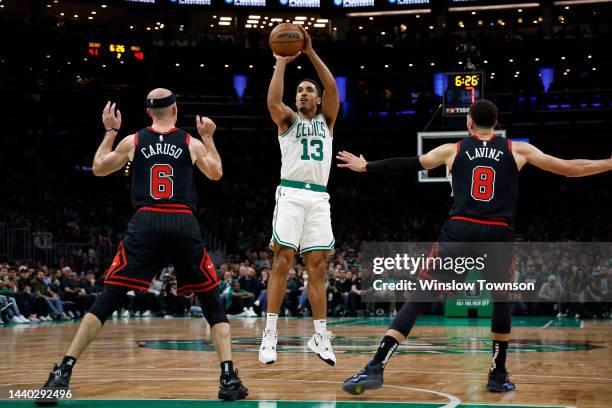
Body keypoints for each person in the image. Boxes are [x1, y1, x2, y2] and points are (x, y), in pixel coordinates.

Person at [336, 99, 612, 394]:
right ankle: (498, 374)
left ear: (469, 123)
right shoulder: (517, 149)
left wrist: (366, 166)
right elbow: (570, 169)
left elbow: (408, 164)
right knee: (501, 300)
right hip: (497, 233)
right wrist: (609, 163)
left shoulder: (453, 149)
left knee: (421, 295)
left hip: (460, 230)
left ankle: (376, 366)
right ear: (496, 124)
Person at [36, 89, 247, 404]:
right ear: (175, 110)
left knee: (107, 300)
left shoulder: (133, 141)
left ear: (149, 113)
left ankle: (62, 372)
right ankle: (228, 377)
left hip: (145, 221)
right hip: (181, 222)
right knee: (211, 301)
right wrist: (209, 137)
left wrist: (109, 132)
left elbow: (98, 167)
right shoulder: (190, 142)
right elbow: (215, 173)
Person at [259, 25, 340, 365]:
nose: (304, 93)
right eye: (300, 90)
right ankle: (270, 334)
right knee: (283, 260)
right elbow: (272, 101)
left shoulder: (328, 121)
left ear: (318, 99)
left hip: (319, 198)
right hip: (291, 194)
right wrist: (280, 61)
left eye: (309, 90)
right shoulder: (288, 120)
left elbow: (333, 86)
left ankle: (320, 336)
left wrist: (309, 52)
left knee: (318, 266)